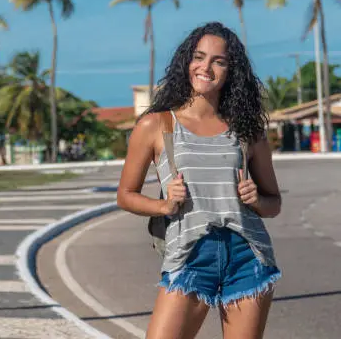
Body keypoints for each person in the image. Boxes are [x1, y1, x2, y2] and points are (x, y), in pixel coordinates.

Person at [117, 22, 282, 339]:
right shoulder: (157, 124)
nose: (206, 67)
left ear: (230, 71)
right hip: (190, 257)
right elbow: (125, 195)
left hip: (248, 256)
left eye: (218, 61)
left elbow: (274, 203)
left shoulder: (247, 130)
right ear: (186, 62)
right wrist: (164, 204)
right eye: (199, 57)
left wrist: (256, 199)